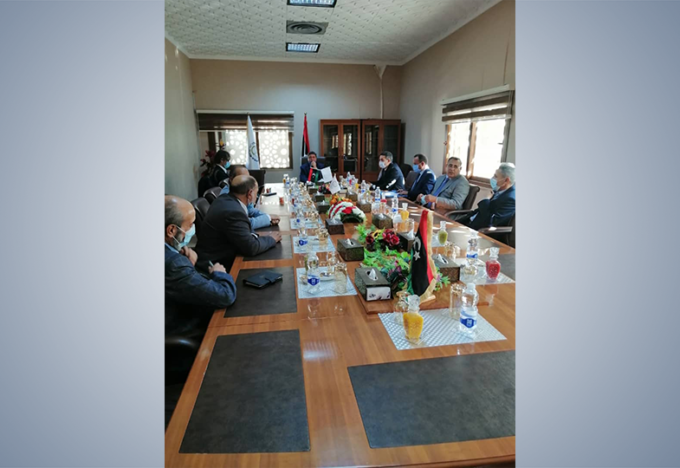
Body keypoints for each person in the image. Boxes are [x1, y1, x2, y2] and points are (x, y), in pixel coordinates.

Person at [165, 195, 237, 337]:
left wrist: (185, 262)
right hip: (184, 325)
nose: (193, 229)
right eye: (190, 224)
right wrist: (219, 273)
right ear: (171, 230)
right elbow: (225, 295)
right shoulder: (174, 265)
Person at [196, 175, 282, 271]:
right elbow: (251, 247)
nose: (256, 196)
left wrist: (256, 236)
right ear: (250, 193)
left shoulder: (224, 199)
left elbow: (245, 231)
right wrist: (271, 239)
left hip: (220, 253)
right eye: (256, 192)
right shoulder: (234, 212)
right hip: (216, 265)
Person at [220, 165, 280, 230]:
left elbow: (251, 210)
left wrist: (267, 217)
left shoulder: (243, 192)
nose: (248, 182)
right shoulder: (227, 197)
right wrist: (267, 219)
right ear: (232, 179)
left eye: (248, 178)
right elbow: (244, 224)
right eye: (243, 178)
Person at [459, 162, 516, 230]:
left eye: (496, 176)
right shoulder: (500, 190)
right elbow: (478, 211)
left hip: (480, 230)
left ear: (506, 180)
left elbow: (491, 222)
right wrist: (459, 220)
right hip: (469, 223)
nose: (492, 178)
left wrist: (486, 199)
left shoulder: (511, 199)